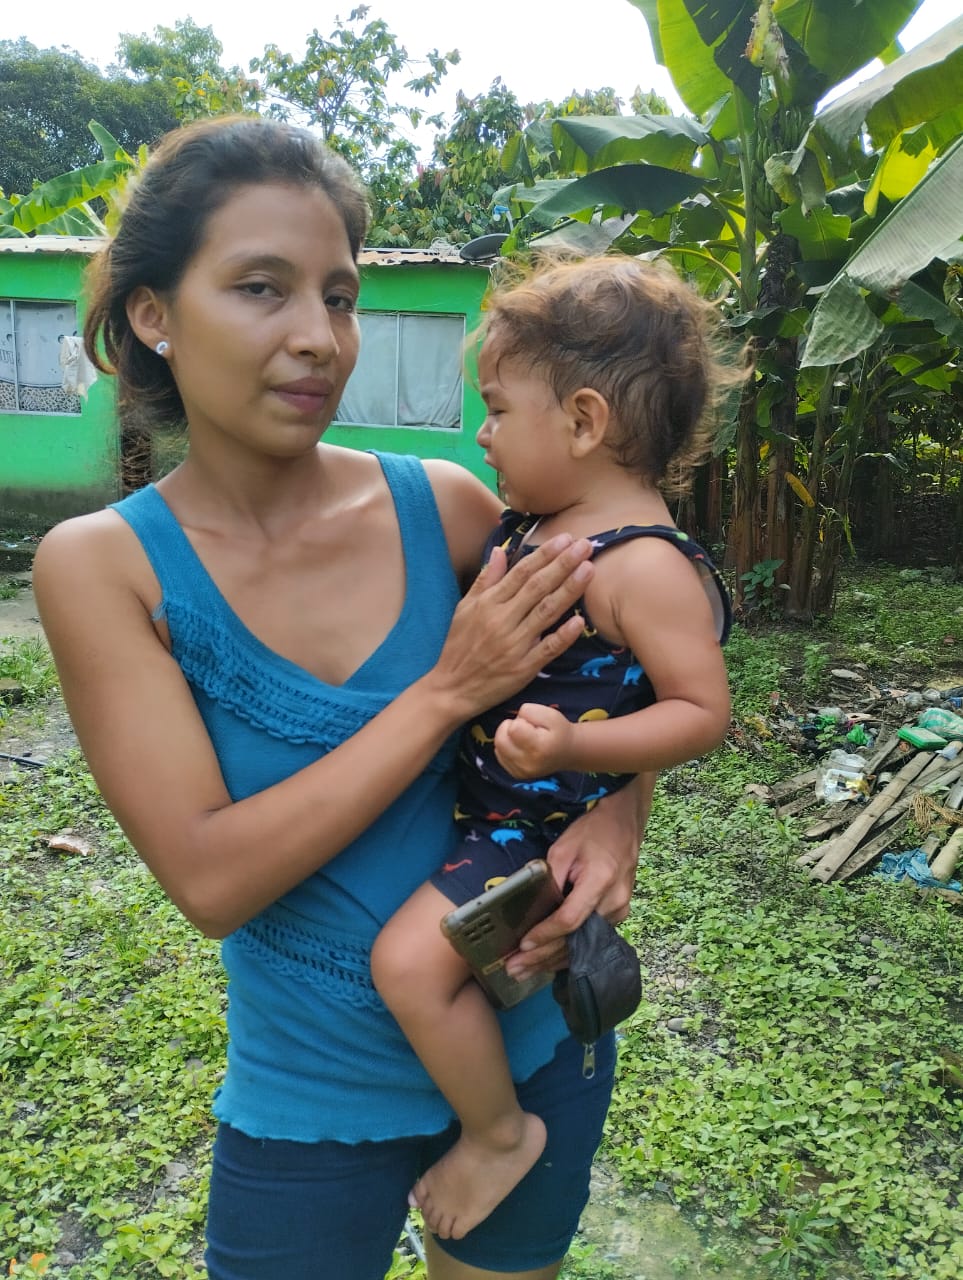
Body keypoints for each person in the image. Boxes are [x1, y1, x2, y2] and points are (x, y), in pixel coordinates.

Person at [32, 115, 650, 1280]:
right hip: (311, 1102)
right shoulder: (106, 567)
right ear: (155, 314)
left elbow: (621, 659)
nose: (319, 336)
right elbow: (210, 877)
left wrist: (619, 813)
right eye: (261, 288)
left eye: (340, 296)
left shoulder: (447, 506)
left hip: (535, 1045)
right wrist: (445, 691)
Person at [372, 254, 738, 1242]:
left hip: (534, 828)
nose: (481, 434)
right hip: (497, 808)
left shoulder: (644, 565)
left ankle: (499, 1132)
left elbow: (703, 710)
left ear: (582, 421)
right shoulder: (536, 525)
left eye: (496, 410)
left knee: (408, 967)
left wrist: (578, 742)